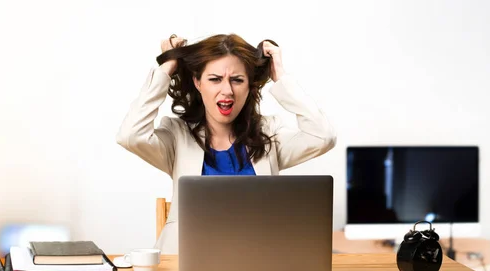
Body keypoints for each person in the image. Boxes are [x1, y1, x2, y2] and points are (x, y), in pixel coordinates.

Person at [116, 33, 336, 254]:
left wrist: (281, 78)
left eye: (237, 80)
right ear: (197, 82)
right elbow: (131, 135)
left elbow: (323, 137)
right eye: (214, 79)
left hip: (260, 261)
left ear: (250, 86)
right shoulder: (177, 136)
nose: (227, 90)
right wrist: (167, 66)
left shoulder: (270, 134)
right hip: (186, 265)